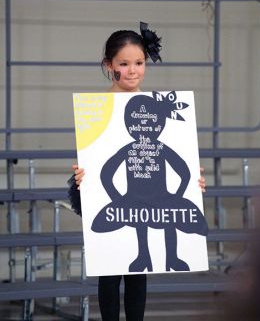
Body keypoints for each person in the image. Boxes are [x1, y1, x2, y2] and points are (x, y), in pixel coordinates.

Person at [68, 22, 206, 321]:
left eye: (139, 63)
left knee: (138, 275)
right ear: (109, 65)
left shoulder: (158, 109)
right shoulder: (97, 111)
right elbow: (101, 166)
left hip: (156, 197)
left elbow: (179, 161)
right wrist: (83, 180)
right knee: (109, 272)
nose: (133, 71)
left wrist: (192, 185)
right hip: (126, 198)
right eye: (124, 63)